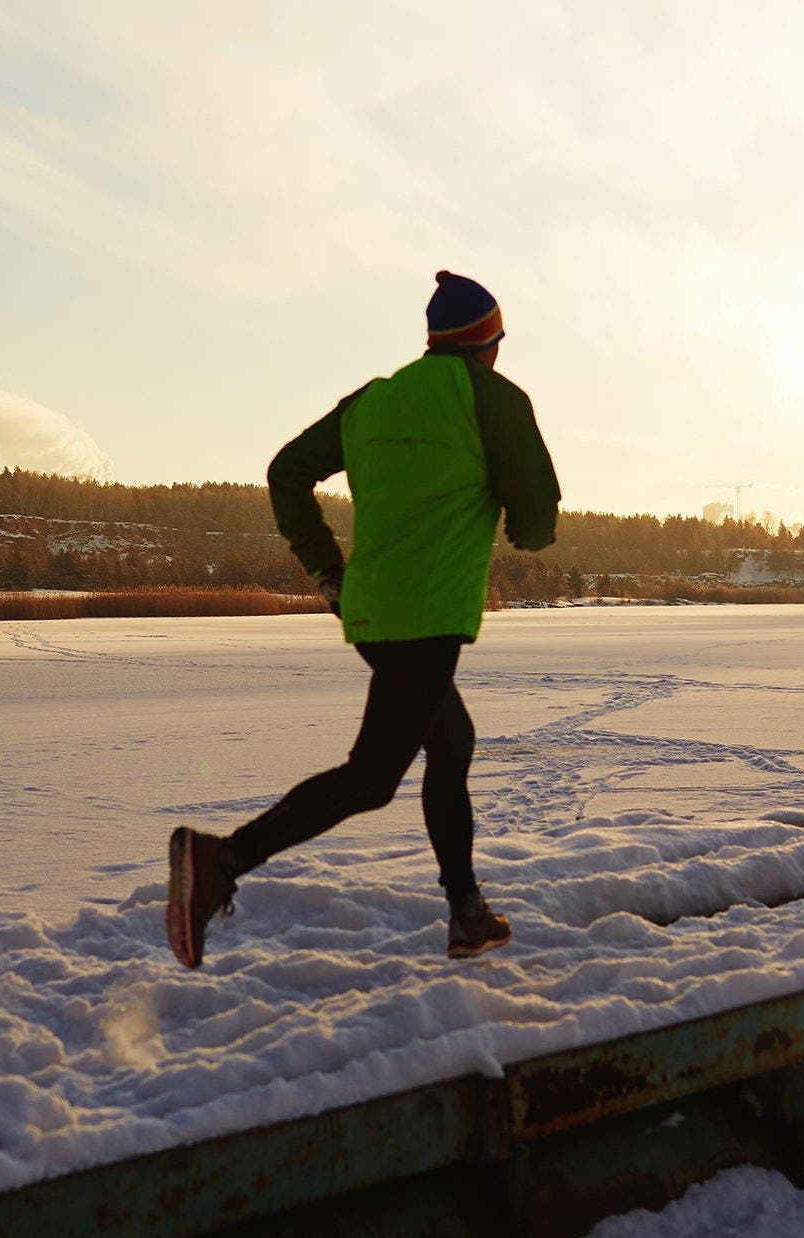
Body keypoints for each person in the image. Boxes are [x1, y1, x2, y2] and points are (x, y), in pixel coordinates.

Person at [166, 271, 562, 969]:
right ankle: (221, 859)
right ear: (489, 345)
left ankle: (466, 912)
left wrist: (327, 570)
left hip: (369, 609)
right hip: (428, 617)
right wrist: (501, 503)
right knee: (374, 776)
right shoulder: (495, 399)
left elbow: (286, 472)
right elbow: (535, 524)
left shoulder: (373, 401)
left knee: (453, 741)